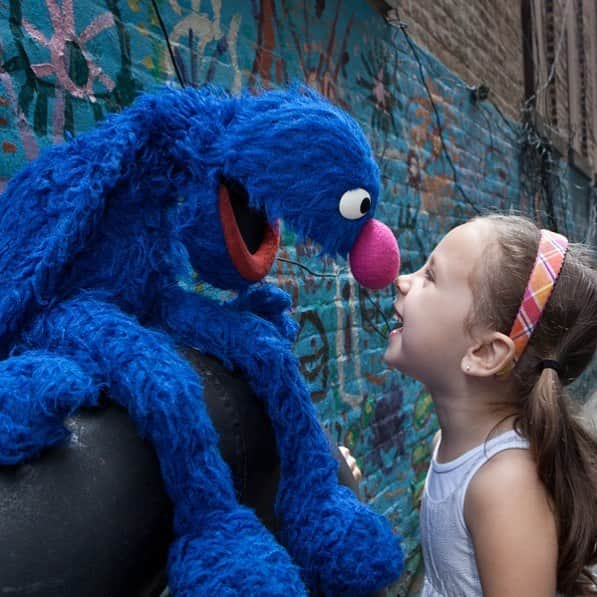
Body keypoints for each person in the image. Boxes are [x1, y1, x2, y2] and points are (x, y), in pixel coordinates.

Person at [377, 213, 597, 596]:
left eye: (430, 276)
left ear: (485, 353)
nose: (402, 280)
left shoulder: (504, 486)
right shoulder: (451, 448)